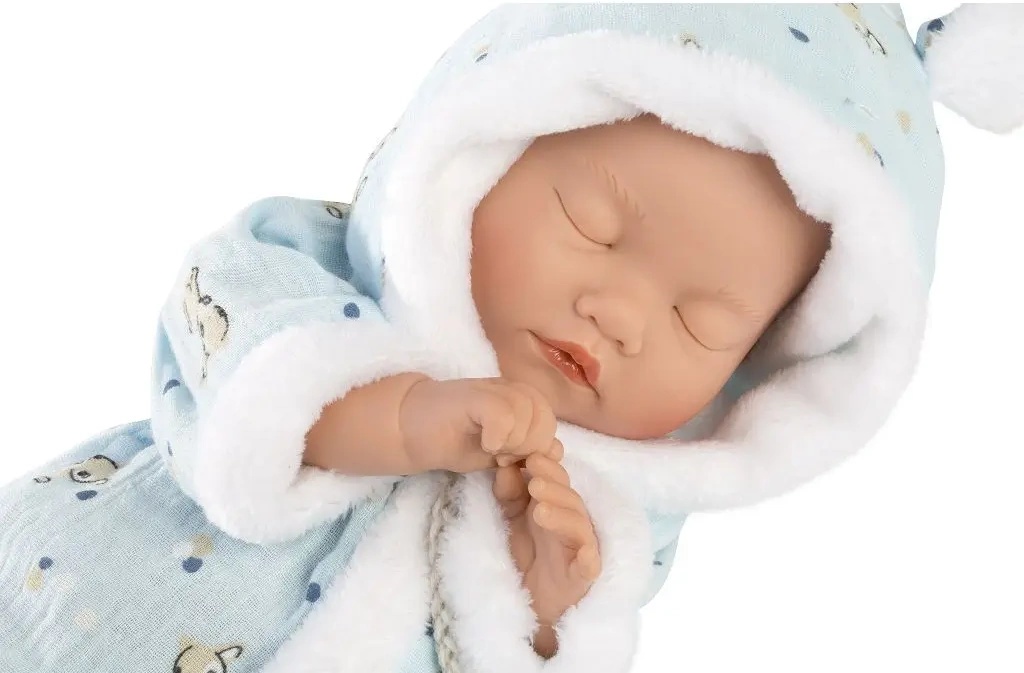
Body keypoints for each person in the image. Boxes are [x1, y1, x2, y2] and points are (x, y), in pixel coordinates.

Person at [1, 4, 1021, 672]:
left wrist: (542, 602)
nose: (622, 314)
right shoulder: (307, 260)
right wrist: (401, 415)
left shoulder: (618, 521)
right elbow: (229, 359)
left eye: (700, 323)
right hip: (72, 614)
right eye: (594, 225)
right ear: (482, 155)